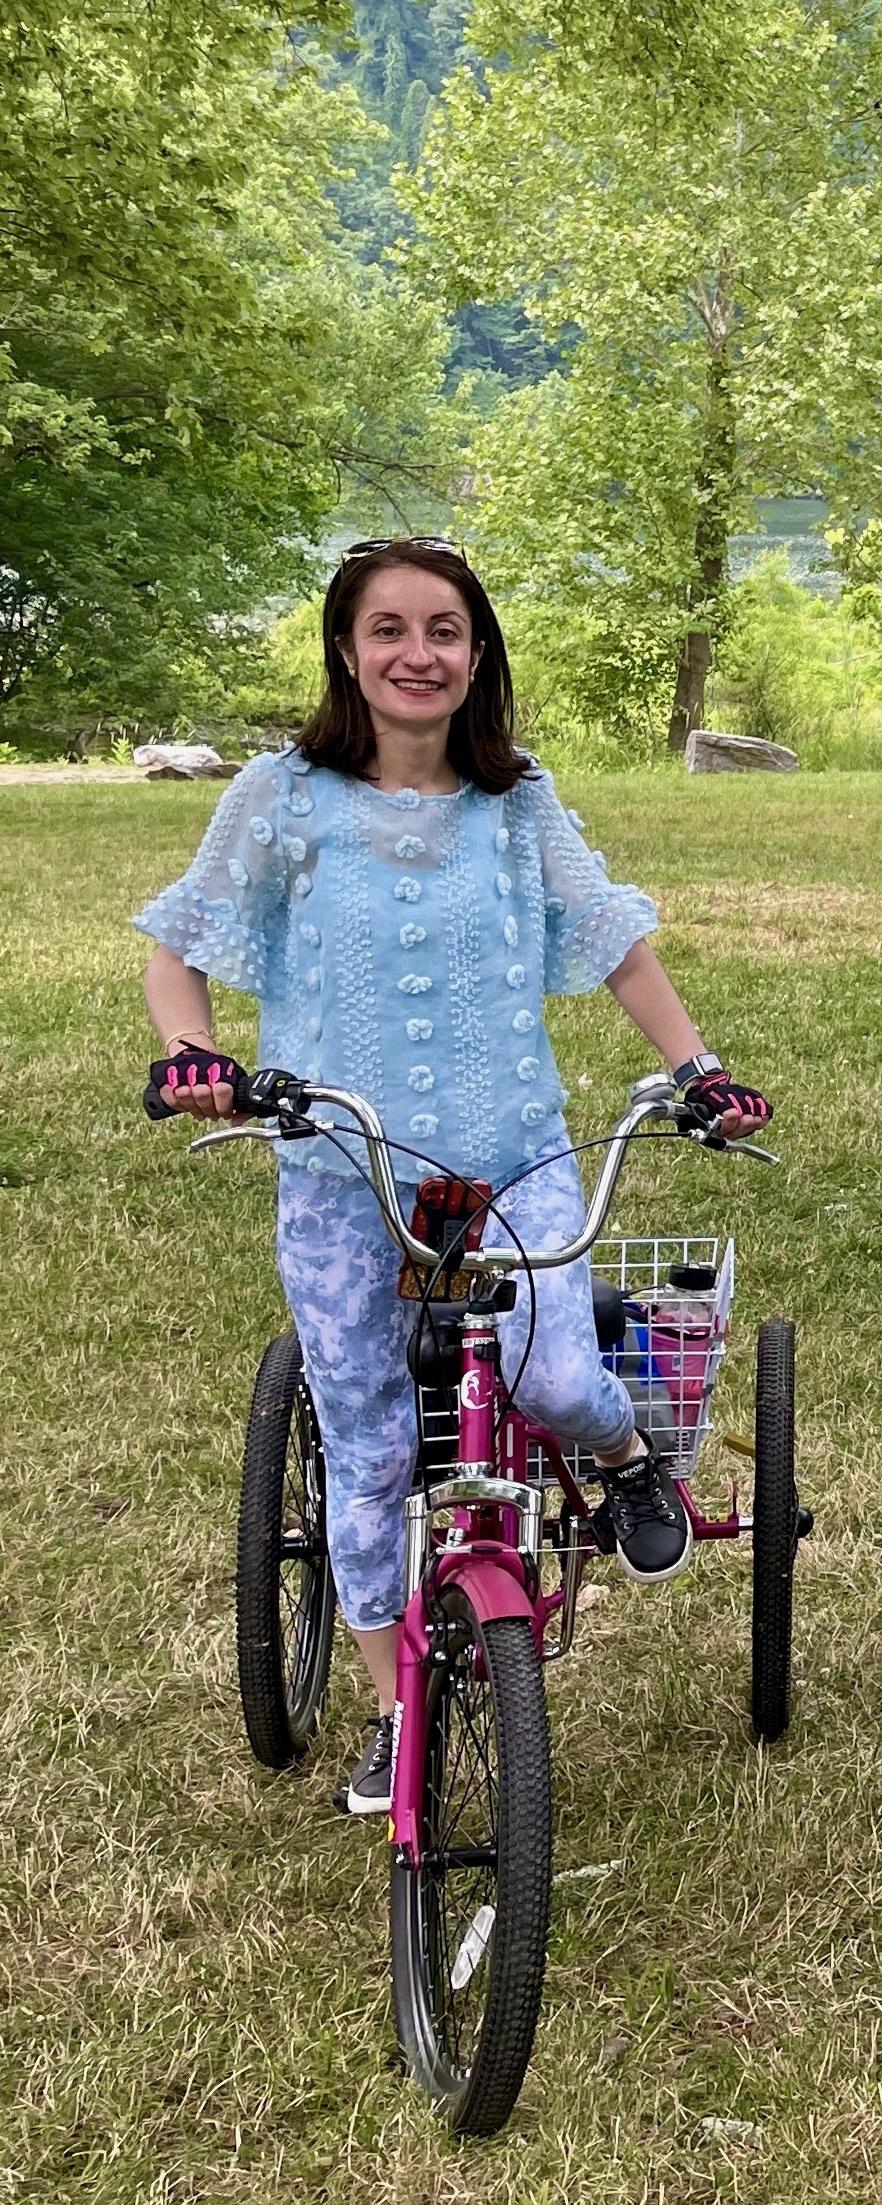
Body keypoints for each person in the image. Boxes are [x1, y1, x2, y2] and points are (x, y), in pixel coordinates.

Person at [137, 537, 769, 1818]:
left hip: (511, 1153)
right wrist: (193, 1058)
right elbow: (179, 947)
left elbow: (612, 940)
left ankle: (632, 1452)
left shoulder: (515, 800)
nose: (417, 654)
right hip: (341, 1170)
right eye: (389, 630)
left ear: (478, 656)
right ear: (346, 650)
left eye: (444, 631)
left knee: (551, 1373)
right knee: (369, 1450)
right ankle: (393, 1709)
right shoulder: (281, 796)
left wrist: (700, 1067)